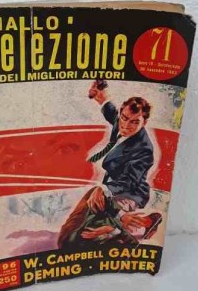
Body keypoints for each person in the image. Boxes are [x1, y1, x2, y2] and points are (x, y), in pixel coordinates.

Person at [57, 82, 162, 249]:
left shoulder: (144, 149)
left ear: (144, 122)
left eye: (135, 122)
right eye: (124, 118)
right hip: (109, 188)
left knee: (89, 231)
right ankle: (145, 221)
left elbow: (129, 181)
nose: (126, 126)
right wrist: (99, 95)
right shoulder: (120, 121)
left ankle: (123, 233)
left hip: (129, 192)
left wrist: (105, 190)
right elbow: (110, 111)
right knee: (71, 229)